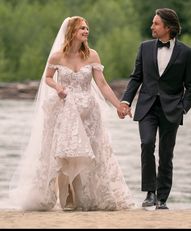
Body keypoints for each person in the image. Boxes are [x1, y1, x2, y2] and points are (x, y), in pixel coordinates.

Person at [9, 16, 134, 211]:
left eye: (87, 28)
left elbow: (102, 84)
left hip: (89, 113)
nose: (86, 31)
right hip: (64, 110)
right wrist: (58, 87)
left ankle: (87, 197)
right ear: (71, 32)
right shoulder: (57, 57)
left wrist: (119, 105)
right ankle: (67, 198)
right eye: (82, 28)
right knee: (65, 153)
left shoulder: (92, 55)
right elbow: (48, 78)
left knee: (91, 153)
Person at [117, 8, 191, 209]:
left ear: (168, 27)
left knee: (166, 153)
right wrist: (126, 101)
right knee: (147, 144)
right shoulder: (144, 48)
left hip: (172, 109)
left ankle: (162, 198)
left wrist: (183, 108)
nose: (152, 26)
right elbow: (136, 78)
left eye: (156, 24)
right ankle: (150, 193)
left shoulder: (187, 53)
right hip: (147, 107)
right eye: (153, 23)